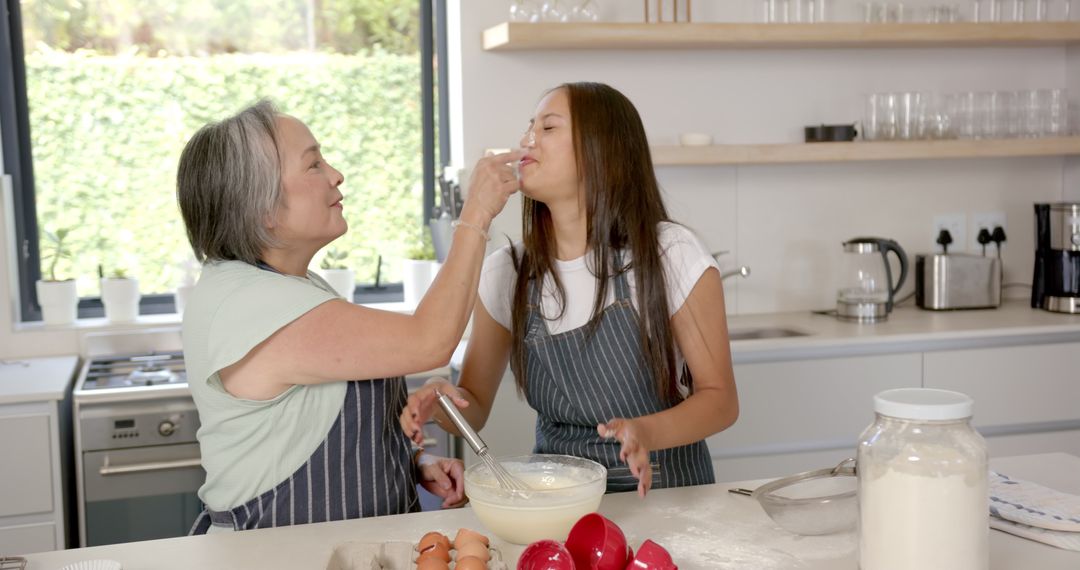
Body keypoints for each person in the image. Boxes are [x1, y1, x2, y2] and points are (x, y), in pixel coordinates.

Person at [176, 99, 521, 533]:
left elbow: (302, 427)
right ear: (261, 208)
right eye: (313, 164)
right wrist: (475, 215)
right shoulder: (253, 306)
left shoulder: (294, 288)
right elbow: (429, 340)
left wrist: (414, 461)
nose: (336, 174)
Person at [400, 82, 739, 497]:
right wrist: (444, 402)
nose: (527, 140)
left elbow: (720, 400)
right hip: (559, 502)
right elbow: (476, 406)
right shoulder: (507, 272)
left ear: (601, 151)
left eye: (548, 128)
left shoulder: (670, 253)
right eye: (529, 128)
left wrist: (645, 432)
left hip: (666, 497)